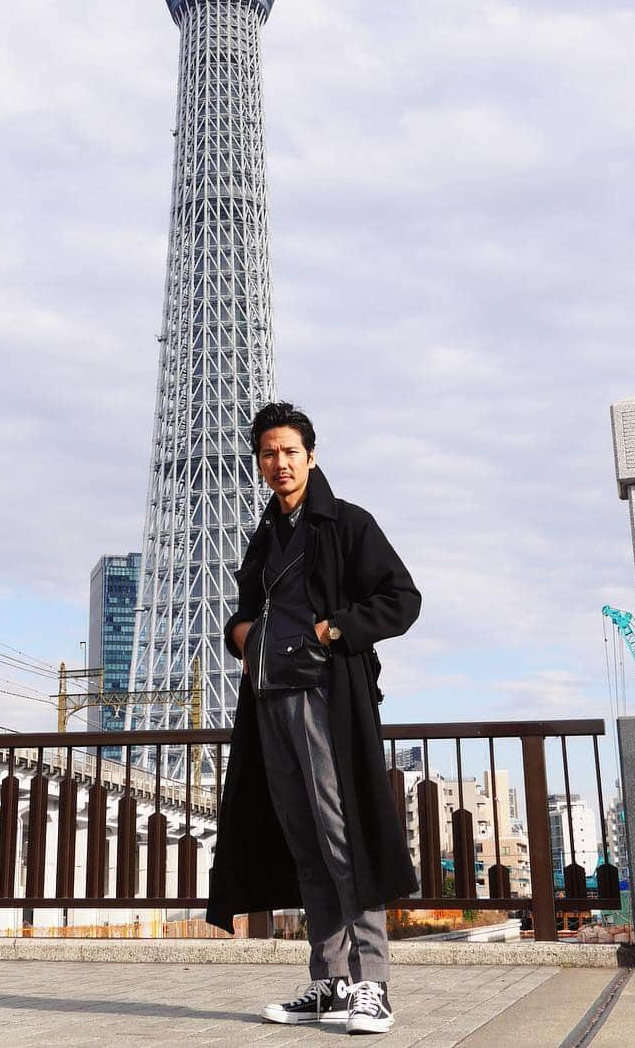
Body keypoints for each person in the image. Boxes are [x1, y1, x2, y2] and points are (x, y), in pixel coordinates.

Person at [206, 401, 421, 1036]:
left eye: (289, 452)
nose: (278, 463)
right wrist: (240, 634)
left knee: (341, 835)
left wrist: (335, 629)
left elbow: (402, 599)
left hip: (325, 698)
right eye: (267, 454)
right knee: (303, 841)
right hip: (269, 701)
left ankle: (372, 983)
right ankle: (327, 982)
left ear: (312, 456)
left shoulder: (347, 525)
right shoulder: (264, 537)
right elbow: (243, 613)